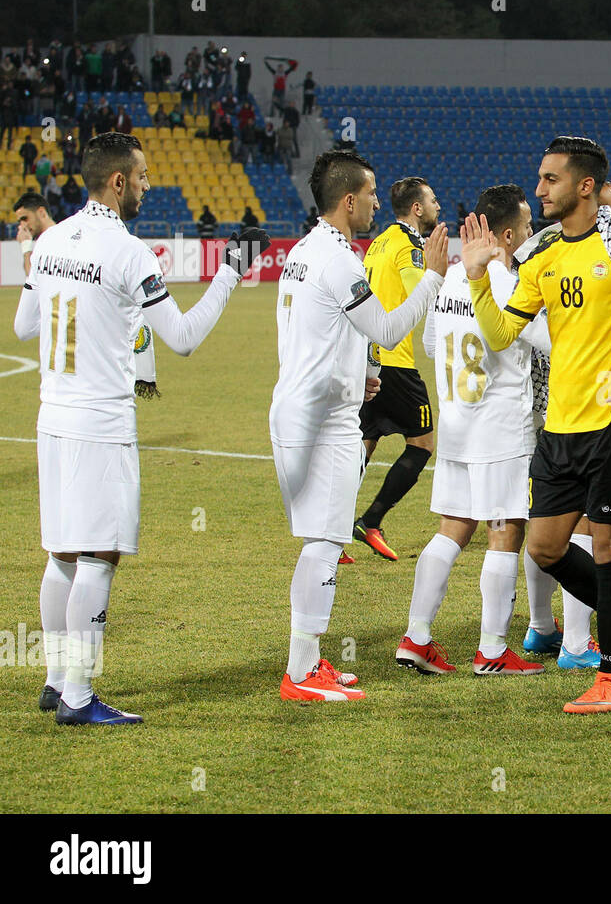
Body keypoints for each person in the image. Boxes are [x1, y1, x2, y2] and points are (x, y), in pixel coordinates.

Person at [11, 131, 260, 724]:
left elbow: (24, 325)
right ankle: (77, 697)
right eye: (144, 177)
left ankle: (54, 679)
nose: (148, 186)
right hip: (100, 422)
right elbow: (182, 338)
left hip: (51, 418)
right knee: (99, 556)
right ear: (118, 181)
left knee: (62, 553)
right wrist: (229, 272)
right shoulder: (128, 253)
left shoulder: (48, 241)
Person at [462, 135, 611, 713]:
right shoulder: (541, 256)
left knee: (610, 545)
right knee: (543, 549)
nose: (539, 189)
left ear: (584, 186)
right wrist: (475, 278)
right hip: (559, 427)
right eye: (540, 179)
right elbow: (499, 335)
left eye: (551, 179)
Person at [271, 150, 448, 702]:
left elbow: (310, 332)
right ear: (349, 200)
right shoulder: (342, 260)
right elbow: (391, 329)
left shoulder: (301, 252)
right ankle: (301, 675)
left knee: (318, 540)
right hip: (324, 423)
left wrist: (356, 375)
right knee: (324, 543)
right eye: (370, 194)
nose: (376, 202)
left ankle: (308, 661)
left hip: (301, 408)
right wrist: (434, 277)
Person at [399, 183, 552, 676]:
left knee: (451, 529)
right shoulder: (507, 284)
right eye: (527, 227)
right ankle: (491, 650)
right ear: (507, 235)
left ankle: (416, 637)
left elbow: (427, 344)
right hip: (501, 426)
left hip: (456, 425)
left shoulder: (446, 283)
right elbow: (554, 343)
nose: (532, 234)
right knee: (505, 529)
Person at [352, 178, 445, 560]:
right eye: (433, 200)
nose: (438, 205)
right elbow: (423, 289)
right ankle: (370, 520)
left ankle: (331, 529)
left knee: (365, 443)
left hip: (368, 357)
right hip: (395, 361)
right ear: (417, 208)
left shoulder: (379, 242)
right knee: (422, 443)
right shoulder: (409, 245)